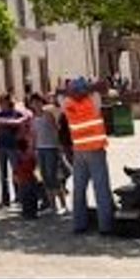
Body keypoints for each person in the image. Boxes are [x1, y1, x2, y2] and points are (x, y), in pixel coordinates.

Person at [62, 76, 115, 235]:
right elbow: (100, 87)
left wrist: (72, 91)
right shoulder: (93, 100)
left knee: (79, 189)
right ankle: (105, 226)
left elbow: (65, 94)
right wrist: (88, 88)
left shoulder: (67, 103)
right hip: (96, 149)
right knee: (101, 189)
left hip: (79, 150)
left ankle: (79, 224)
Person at [0, 94, 30, 208]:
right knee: (3, 173)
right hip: (1, 146)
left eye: (3, 102)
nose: (1, 105)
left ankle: (19, 196)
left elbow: (22, 124)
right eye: (0, 102)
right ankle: (5, 199)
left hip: (13, 146)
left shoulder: (16, 113)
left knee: (16, 172)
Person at [28, 92, 68, 215]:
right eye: (33, 103)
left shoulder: (48, 115)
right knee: (45, 177)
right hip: (40, 149)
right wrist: (32, 148)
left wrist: (59, 147)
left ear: (41, 102)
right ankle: (52, 205)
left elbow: (56, 130)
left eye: (38, 102)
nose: (36, 105)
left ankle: (63, 204)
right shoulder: (33, 118)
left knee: (53, 176)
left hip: (51, 148)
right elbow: (34, 135)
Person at [14, 137, 42, 219]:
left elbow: (16, 169)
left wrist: (16, 177)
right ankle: (33, 212)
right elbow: (35, 166)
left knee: (25, 197)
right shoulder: (30, 156)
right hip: (31, 178)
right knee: (32, 197)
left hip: (23, 180)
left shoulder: (18, 158)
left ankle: (26, 212)